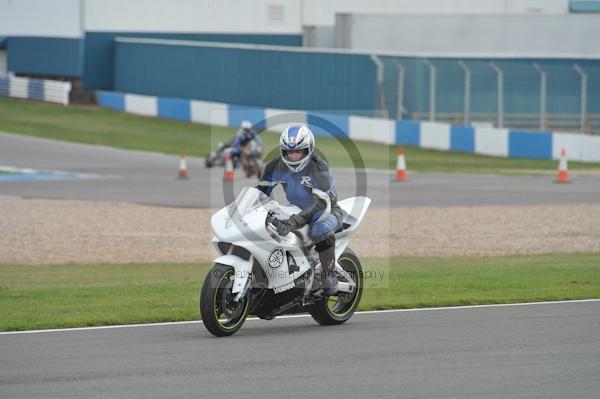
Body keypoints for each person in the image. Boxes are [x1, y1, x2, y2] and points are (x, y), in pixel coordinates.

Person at [257, 125, 343, 295]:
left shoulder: (319, 168)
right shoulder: (276, 167)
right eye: (289, 152)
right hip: (297, 210)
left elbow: (320, 204)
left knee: (319, 229)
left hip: (327, 211)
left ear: (308, 150)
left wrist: (293, 222)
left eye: (299, 151)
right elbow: (259, 193)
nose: (294, 156)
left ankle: (329, 275)